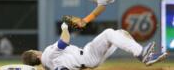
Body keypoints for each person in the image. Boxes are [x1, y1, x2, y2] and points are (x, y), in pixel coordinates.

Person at [22, 22, 167, 70]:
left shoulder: (48, 66)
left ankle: (142, 53)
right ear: (35, 55)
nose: (36, 50)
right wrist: (64, 28)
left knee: (120, 33)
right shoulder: (47, 55)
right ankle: (143, 54)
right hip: (88, 55)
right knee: (110, 33)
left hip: (88, 61)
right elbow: (64, 41)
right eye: (34, 50)